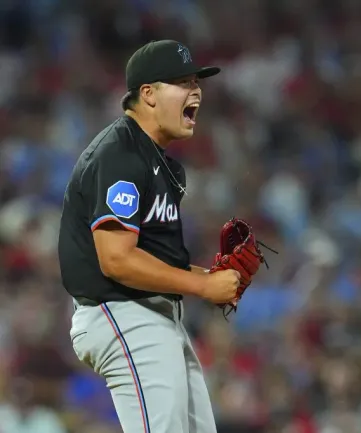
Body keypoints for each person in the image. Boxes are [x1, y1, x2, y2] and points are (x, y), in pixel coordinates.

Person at [57, 39, 241, 433]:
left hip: (155, 315)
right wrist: (201, 287)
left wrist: (209, 278)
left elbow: (154, 258)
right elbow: (117, 259)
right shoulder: (119, 154)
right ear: (148, 94)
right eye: (182, 82)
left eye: (197, 82)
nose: (196, 91)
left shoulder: (162, 165)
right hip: (121, 311)